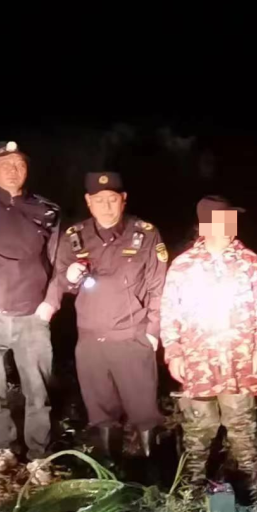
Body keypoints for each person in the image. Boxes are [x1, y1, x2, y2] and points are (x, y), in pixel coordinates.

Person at [160, 196, 257, 496]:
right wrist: (173, 352)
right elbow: (169, 312)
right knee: (198, 428)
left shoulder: (250, 262)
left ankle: (252, 488)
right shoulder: (183, 266)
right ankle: (192, 489)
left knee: (242, 427)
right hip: (198, 362)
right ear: (206, 225)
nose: (230, 225)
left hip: (240, 363)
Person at [0, 140, 61, 481]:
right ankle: (1, 449)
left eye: (19, 163)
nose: (13, 170)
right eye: (5, 164)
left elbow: (58, 260)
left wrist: (51, 302)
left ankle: (38, 455)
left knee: (38, 391)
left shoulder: (46, 209)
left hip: (33, 313)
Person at [54, 171, 167, 464]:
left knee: (144, 412)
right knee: (101, 413)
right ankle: (110, 472)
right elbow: (60, 280)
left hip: (132, 337)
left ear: (123, 199)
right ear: (88, 201)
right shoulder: (74, 236)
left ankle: (153, 474)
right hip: (91, 341)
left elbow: (158, 286)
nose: (106, 206)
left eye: (112, 199)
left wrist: (153, 331)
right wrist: (69, 277)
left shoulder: (145, 234)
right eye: (99, 200)